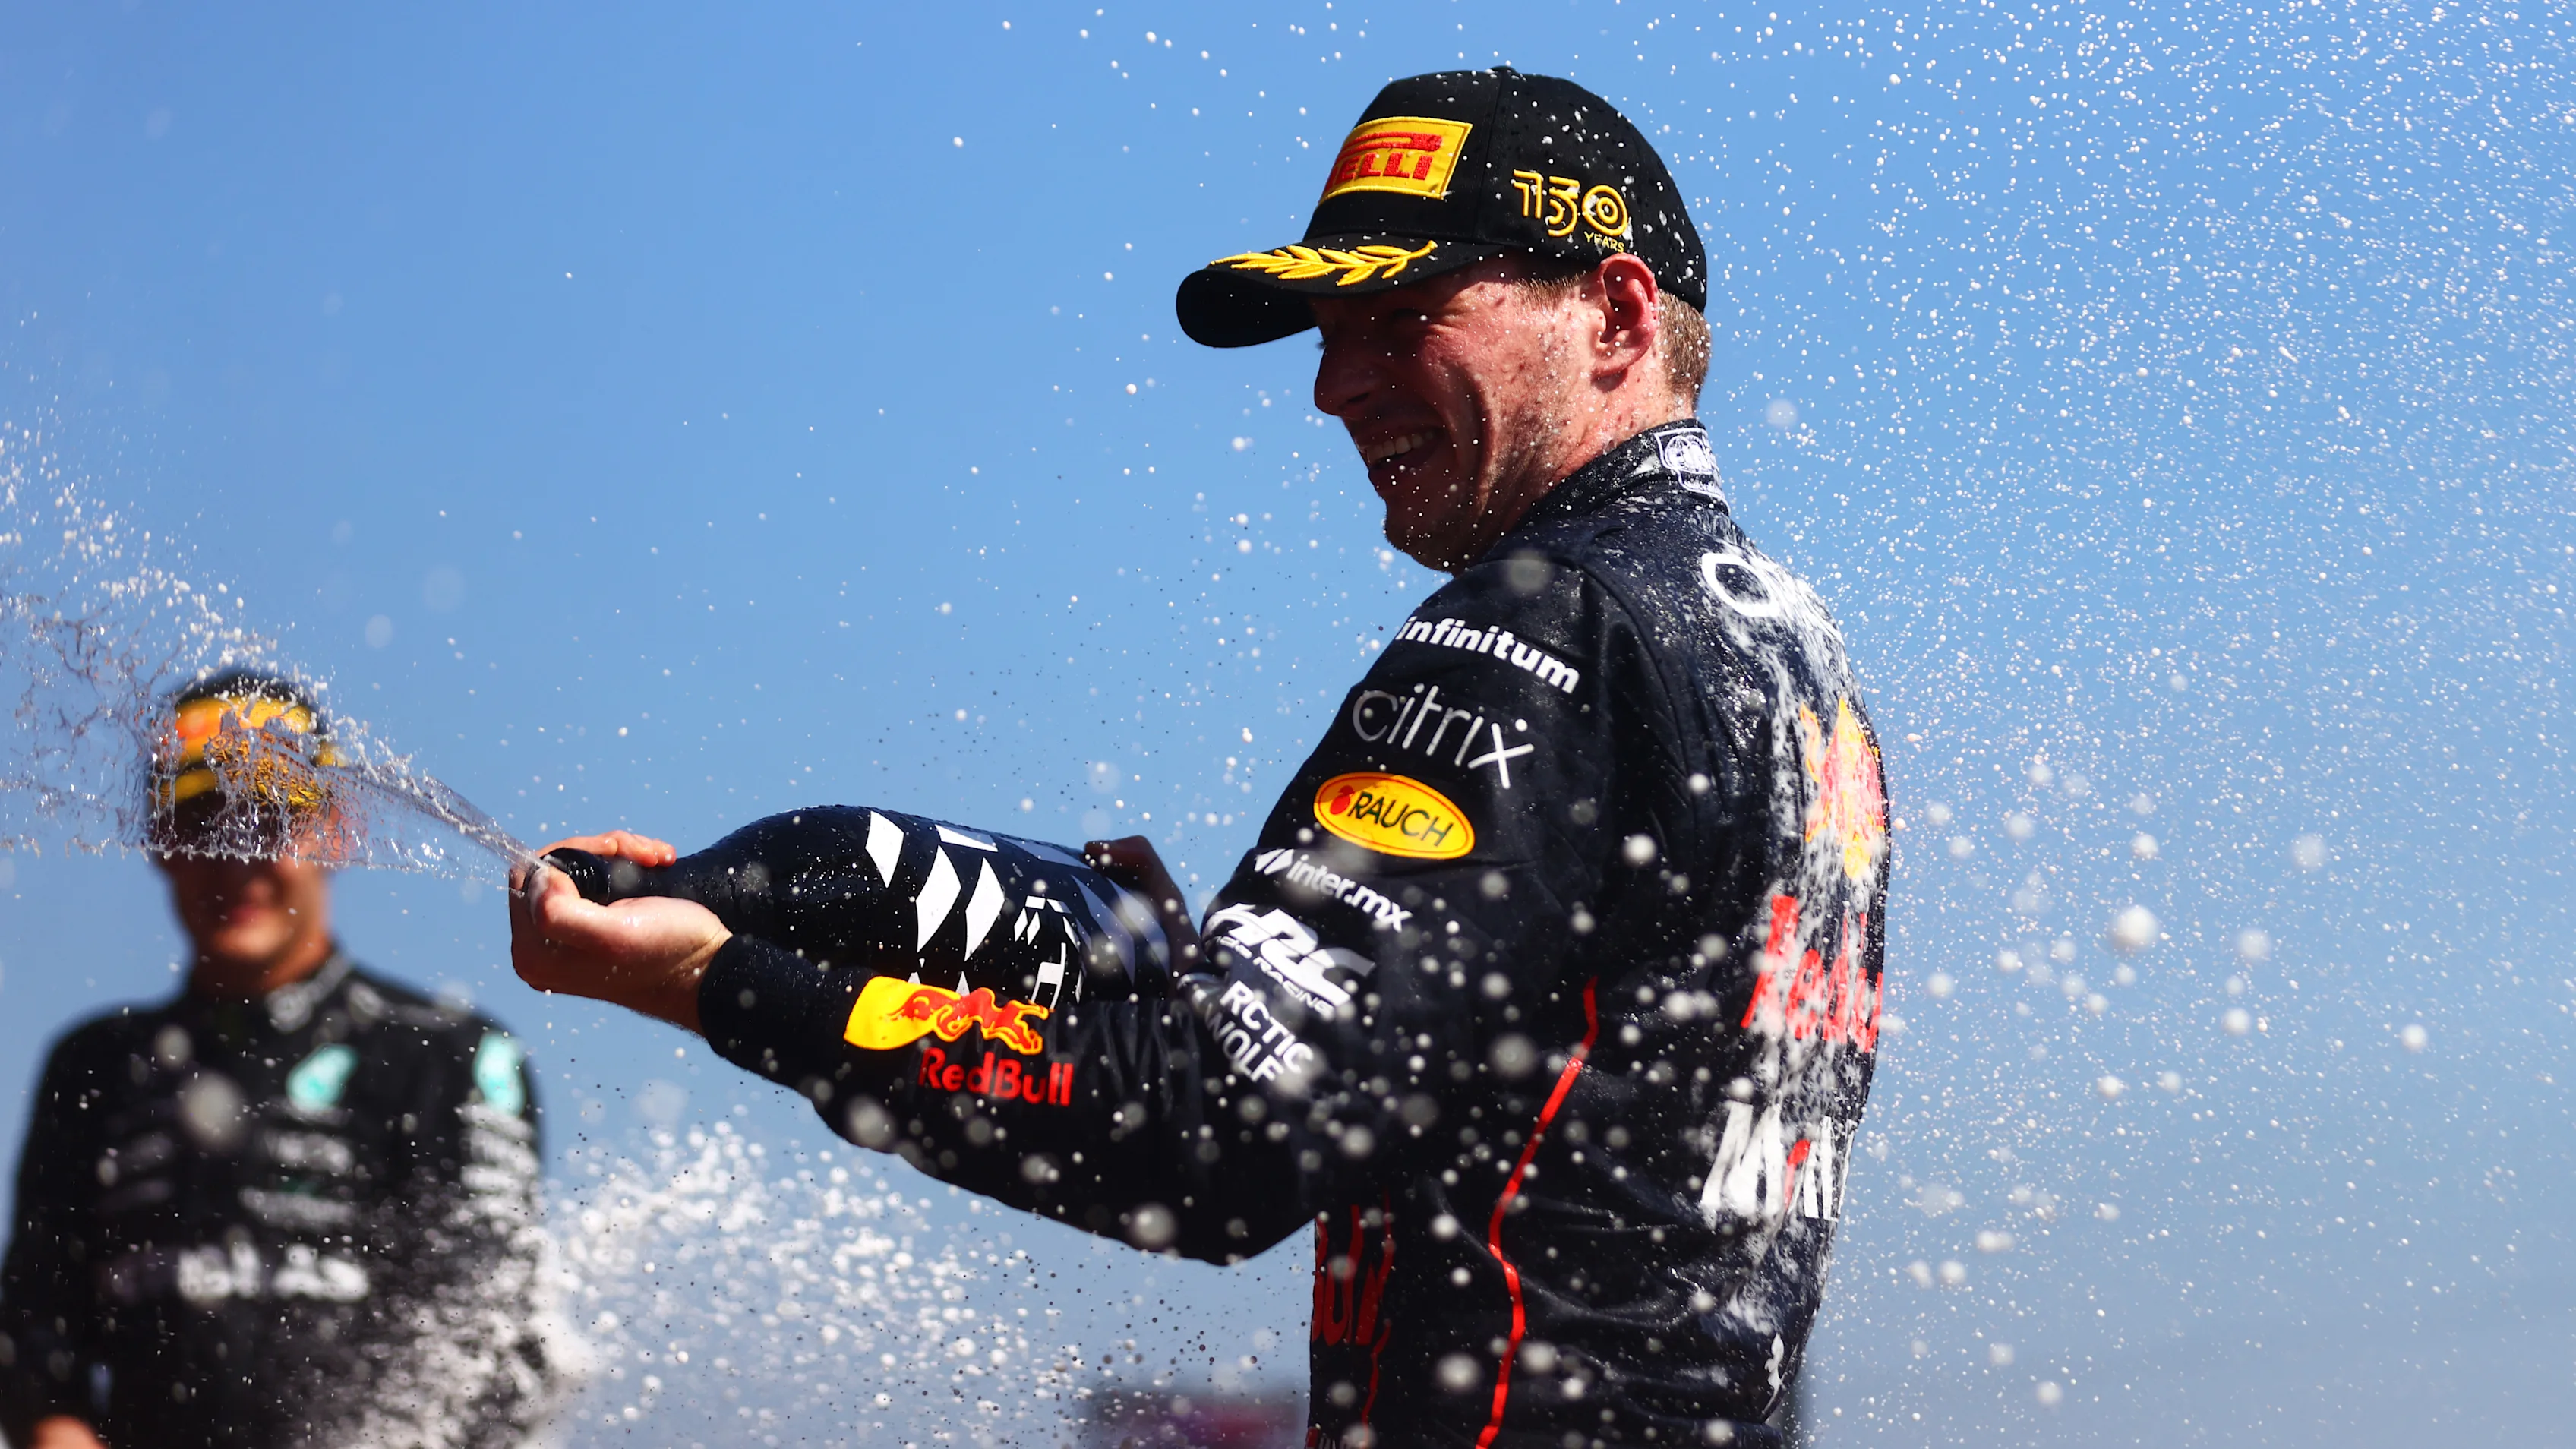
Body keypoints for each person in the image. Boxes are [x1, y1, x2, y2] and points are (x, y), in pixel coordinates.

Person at [512, 68, 1889, 1448]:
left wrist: (716, 981)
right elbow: (1335, 1027)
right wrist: (776, 885)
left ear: (1615, 313)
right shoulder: (1782, 652)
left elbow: (1214, 1122)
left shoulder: (1548, 623)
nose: (1335, 384)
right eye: (1330, 329)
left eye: (1403, 316)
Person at [0, 671, 554, 1449]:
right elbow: (34, 1354)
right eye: (202, 817)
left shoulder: (448, 1058)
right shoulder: (95, 1065)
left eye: (265, 820)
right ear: (160, 840)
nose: (233, 858)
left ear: (334, 830)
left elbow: (495, 1355)